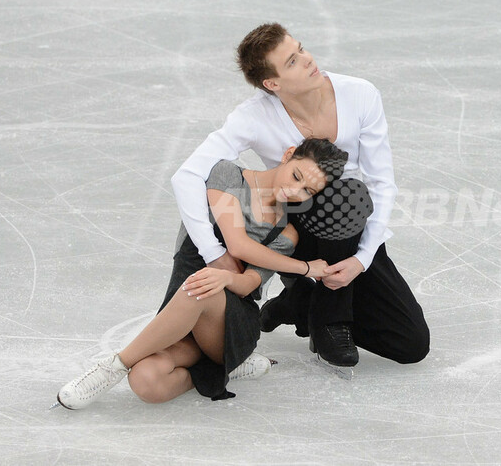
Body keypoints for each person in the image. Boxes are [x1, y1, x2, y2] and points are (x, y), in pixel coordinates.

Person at [171, 23, 429, 369]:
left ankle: (300, 304)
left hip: (350, 230)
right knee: (340, 192)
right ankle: (328, 322)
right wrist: (214, 253)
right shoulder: (254, 116)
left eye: (302, 49)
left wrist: (363, 258)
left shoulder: (359, 94)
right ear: (272, 84)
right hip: (295, 231)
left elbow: (382, 183)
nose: (308, 60)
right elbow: (186, 175)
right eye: (292, 61)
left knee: (410, 343)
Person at [56, 139, 348, 409]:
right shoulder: (228, 175)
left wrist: (227, 278)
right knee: (146, 381)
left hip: (228, 326)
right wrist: (306, 267)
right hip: (182, 310)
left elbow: (249, 284)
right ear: (287, 156)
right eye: (296, 177)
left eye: (308, 191)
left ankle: (112, 367)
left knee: (200, 286)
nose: (295, 191)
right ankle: (227, 370)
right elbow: (237, 244)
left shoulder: (286, 232)